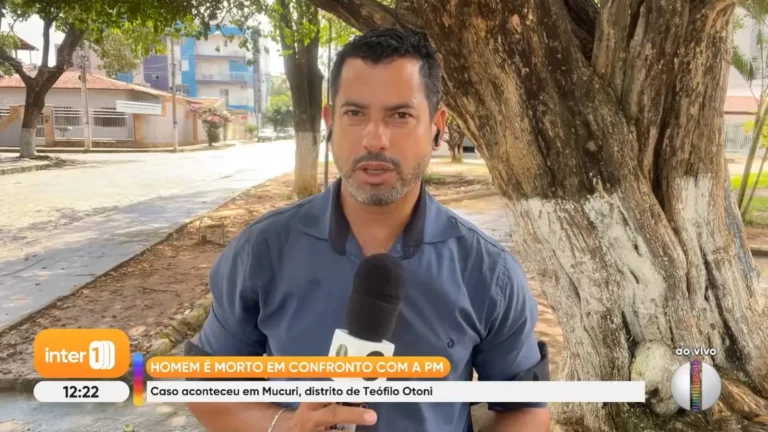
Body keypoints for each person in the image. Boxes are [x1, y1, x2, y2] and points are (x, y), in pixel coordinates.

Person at [185, 27, 551, 432]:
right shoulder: (262, 251)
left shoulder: (487, 271)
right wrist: (282, 425)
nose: (375, 139)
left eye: (400, 115)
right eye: (355, 114)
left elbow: (525, 407)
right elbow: (207, 387)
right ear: (329, 123)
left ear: (437, 128)